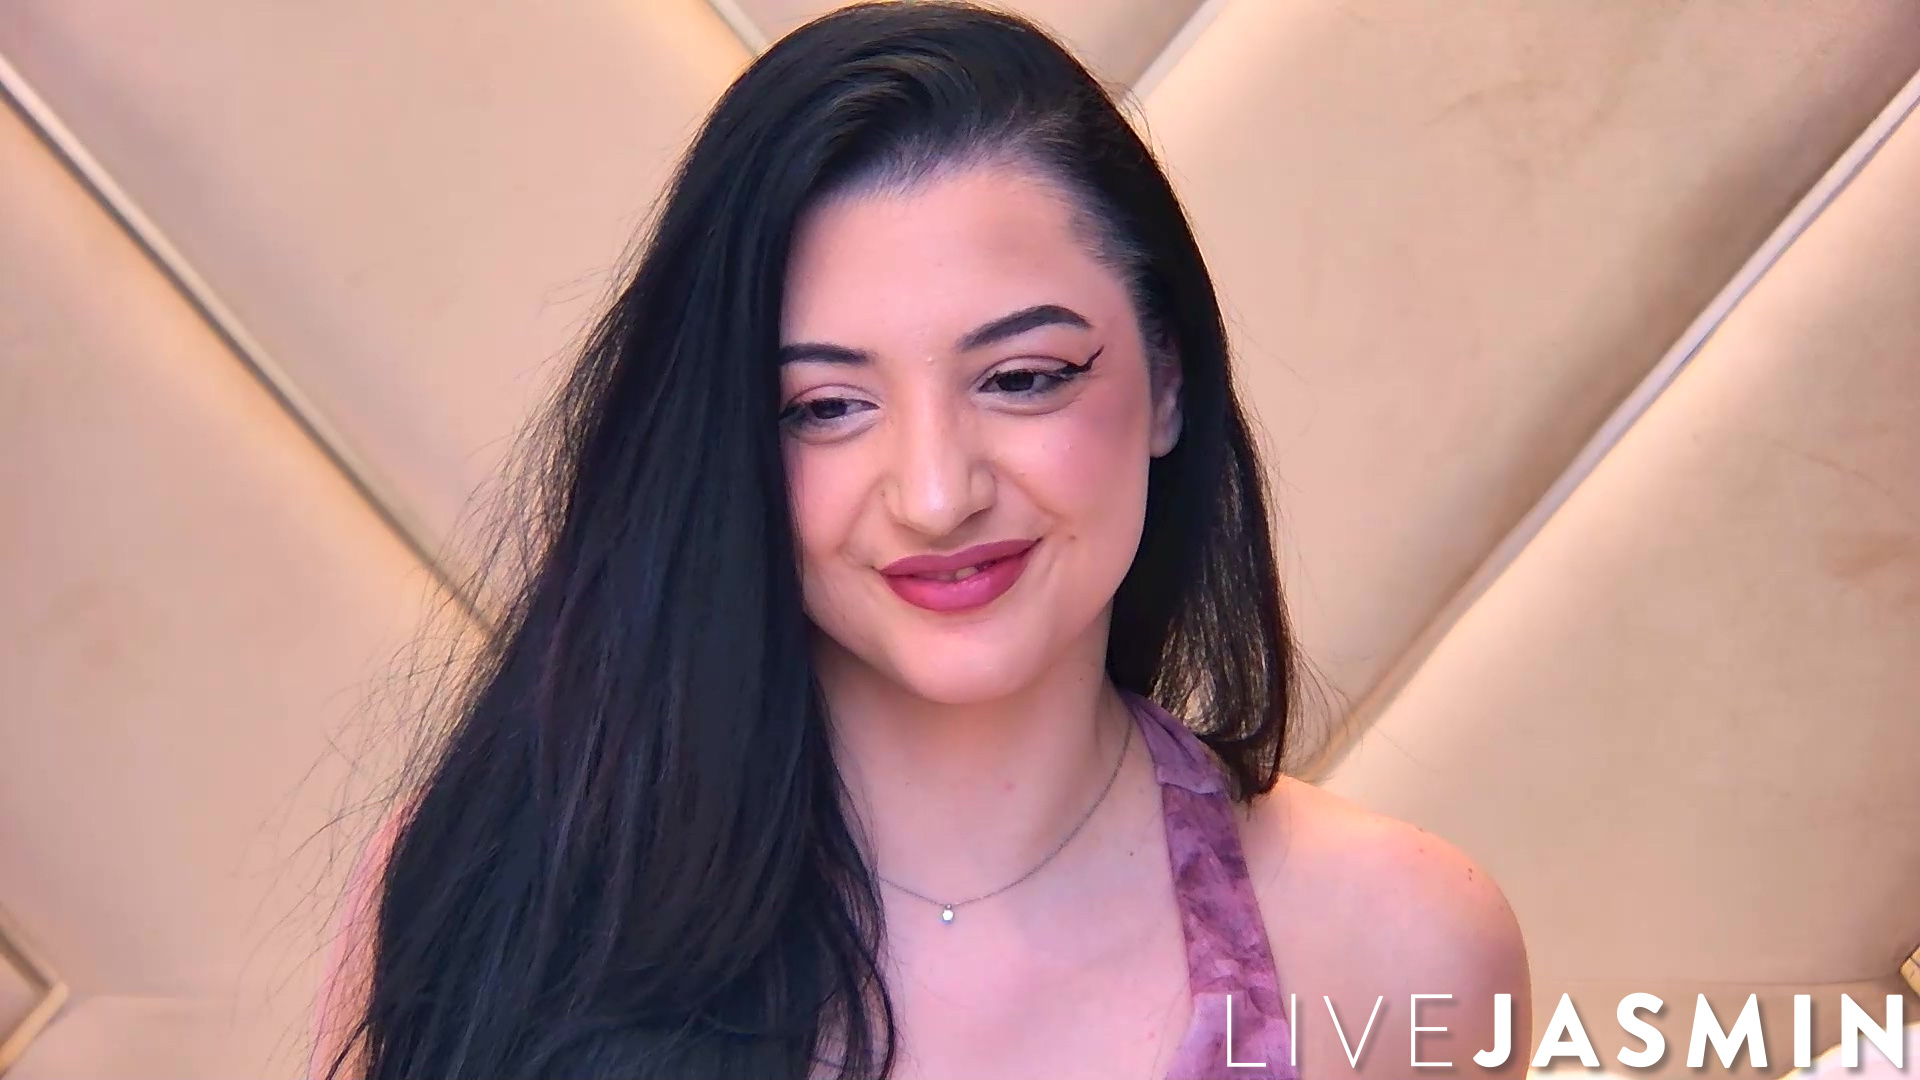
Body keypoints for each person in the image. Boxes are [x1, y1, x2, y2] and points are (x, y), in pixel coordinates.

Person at [312, 3, 1530, 1077]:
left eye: (1022, 378)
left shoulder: (1400, 945)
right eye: (827, 406)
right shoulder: (487, 892)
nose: (938, 494)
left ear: (1167, 379)